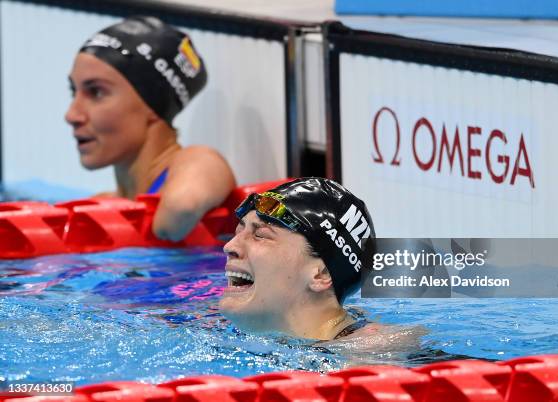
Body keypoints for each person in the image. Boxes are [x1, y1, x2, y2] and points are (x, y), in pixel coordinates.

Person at [65, 16, 235, 241]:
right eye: (73, 91)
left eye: (96, 92)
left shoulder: (201, 161)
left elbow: (177, 214)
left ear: (153, 104)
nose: (72, 115)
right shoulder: (102, 204)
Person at [219, 177, 381, 340]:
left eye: (260, 235)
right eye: (238, 232)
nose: (229, 246)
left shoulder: (370, 351)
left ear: (321, 274)